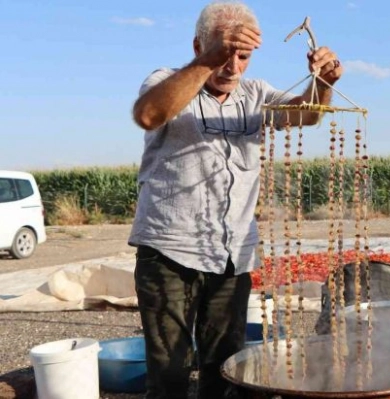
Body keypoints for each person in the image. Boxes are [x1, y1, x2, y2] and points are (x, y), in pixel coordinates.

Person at [128, 1, 343, 398]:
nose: (233, 66)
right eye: (225, 54)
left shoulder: (255, 94)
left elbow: (306, 114)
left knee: (227, 368)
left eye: (242, 56)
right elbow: (148, 114)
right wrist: (208, 62)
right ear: (198, 47)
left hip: (232, 256)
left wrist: (323, 82)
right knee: (170, 370)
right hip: (170, 252)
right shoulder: (167, 80)